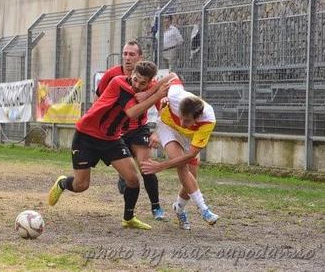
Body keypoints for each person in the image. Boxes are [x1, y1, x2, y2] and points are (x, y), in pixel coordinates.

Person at [48, 61, 170, 230]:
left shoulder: (146, 88)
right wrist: (155, 95)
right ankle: (62, 183)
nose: (137, 85)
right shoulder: (119, 83)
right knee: (81, 185)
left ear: (150, 82)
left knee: (133, 179)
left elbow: (172, 77)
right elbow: (132, 112)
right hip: (86, 136)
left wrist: (151, 91)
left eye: (143, 83)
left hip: (111, 139)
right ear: (131, 74)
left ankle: (128, 218)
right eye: (135, 79)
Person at [96, 40, 166, 220]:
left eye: (132, 54)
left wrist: (157, 132)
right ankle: (124, 177)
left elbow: (162, 109)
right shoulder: (111, 75)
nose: (127, 58)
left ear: (139, 57)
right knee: (129, 175)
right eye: (125, 53)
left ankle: (156, 207)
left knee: (146, 166)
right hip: (115, 131)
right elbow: (99, 100)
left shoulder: (151, 82)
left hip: (138, 129)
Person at [141, 74, 219, 230]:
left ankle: (179, 208)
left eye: (187, 121)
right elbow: (172, 75)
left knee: (191, 176)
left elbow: (190, 155)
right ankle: (203, 209)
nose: (182, 122)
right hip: (167, 127)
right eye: (181, 117)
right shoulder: (176, 95)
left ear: (198, 118)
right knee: (182, 166)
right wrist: (148, 94)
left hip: (186, 136)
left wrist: (160, 166)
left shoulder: (208, 120)